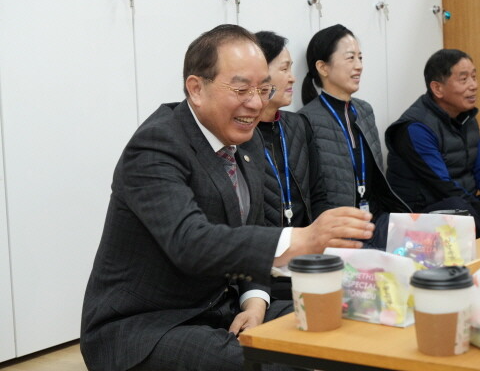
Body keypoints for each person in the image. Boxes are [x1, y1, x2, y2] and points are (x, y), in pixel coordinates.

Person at [80, 24, 374, 371]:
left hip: (224, 309)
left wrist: (255, 302)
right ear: (196, 89)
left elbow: (250, 235)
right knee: (274, 363)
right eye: (241, 89)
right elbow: (191, 242)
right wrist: (304, 238)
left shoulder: (245, 141)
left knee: (348, 322)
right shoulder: (156, 146)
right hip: (148, 325)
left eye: (264, 88)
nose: (255, 102)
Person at [385, 48, 480, 237]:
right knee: (459, 208)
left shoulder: (466, 118)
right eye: (464, 79)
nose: (473, 85)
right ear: (437, 89)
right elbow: (443, 188)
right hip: (422, 214)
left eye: (474, 77)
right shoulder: (415, 128)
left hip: (464, 204)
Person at [299, 24, 411, 250]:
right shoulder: (306, 120)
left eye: (360, 58)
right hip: (341, 233)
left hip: (375, 220)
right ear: (323, 67)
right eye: (350, 58)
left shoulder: (365, 110)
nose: (359, 66)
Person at [255, 30, 330, 300]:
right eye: (284, 68)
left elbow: (318, 193)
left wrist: (322, 244)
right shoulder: (238, 134)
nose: (292, 77)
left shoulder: (297, 125)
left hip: (306, 261)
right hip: (264, 270)